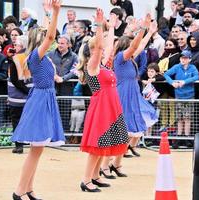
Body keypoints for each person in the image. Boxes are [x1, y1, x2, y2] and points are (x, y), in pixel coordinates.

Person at [11, 1, 65, 199]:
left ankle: (28, 189)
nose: (50, 40)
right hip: (41, 100)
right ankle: (19, 191)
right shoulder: (36, 55)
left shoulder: (41, 55)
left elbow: (48, 32)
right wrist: (57, 12)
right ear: (39, 40)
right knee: (35, 151)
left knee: (37, 150)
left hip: (44, 99)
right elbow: (50, 35)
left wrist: (48, 12)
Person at [79, 8, 128, 192]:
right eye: (96, 47)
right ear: (91, 49)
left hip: (110, 107)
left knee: (104, 142)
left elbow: (108, 48)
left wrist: (112, 27)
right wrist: (100, 25)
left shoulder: (102, 65)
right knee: (97, 144)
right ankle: (86, 180)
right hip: (101, 108)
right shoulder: (92, 65)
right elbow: (101, 47)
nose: (101, 49)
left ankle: (95, 175)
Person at [114, 14, 158, 159]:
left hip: (132, 93)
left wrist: (150, 33)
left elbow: (139, 46)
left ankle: (119, 158)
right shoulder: (121, 57)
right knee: (123, 125)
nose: (133, 47)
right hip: (123, 94)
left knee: (131, 124)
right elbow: (135, 46)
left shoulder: (130, 59)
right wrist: (143, 28)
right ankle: (115, 157)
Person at [164, 50, 199, 148]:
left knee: (187, 118)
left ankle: (187, 137)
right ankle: (179, 137)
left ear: (190, 59)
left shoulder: (192, 68)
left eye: (185, 58)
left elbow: (196, 76)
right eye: (182, 58)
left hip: (189, 96)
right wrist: (172, 82)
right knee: (179, 118)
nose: (183, 59)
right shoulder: (176, 67)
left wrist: (185, 81)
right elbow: (166, 74)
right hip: (179, 96)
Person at [7, 35, 31, 154]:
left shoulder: (16, 58)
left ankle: (19, 145)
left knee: (16, 121)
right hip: (28, 95)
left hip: (16, 97)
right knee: (26, 120)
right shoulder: (30, 57)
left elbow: (15, 80)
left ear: (22, 46)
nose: (14, 46)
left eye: (16, 44)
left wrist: (26, 90)